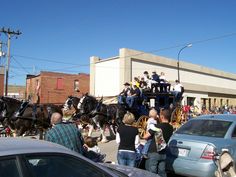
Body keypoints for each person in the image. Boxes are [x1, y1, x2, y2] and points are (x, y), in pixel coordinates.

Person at [143, 109, 173, 177]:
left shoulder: (157, 126)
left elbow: (145, 136)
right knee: (162, 172)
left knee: (151, 173)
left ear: (162, 117)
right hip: (163, 152)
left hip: (154, 152)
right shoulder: (171, 127)